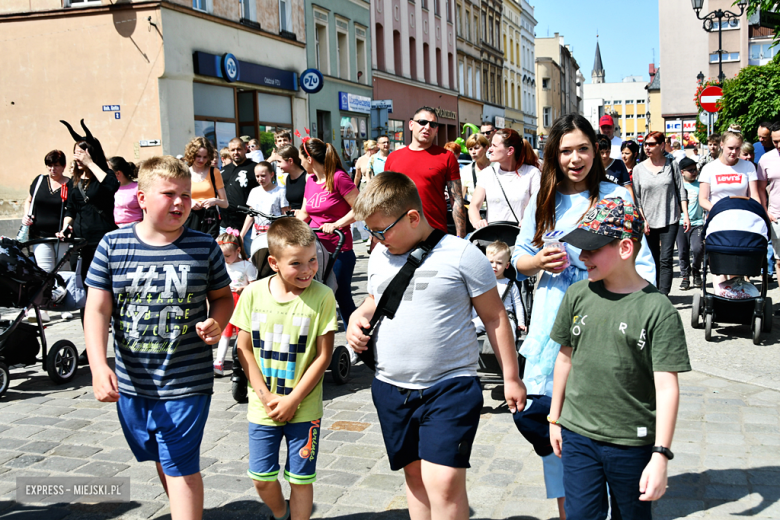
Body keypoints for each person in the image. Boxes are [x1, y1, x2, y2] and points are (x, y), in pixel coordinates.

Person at [347, 171, 526, 520]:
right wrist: (357, 316)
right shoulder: (382, 255)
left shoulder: (461, 255)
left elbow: (495, 317)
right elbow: (375, 299)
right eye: (371, 232)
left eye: (381, 231)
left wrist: (511, 376)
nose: (376, 239)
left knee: (442, 481)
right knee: (415, 476)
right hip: (390, 386)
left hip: (450, 387)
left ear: (413, 217)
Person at [513, 114, 657, 519]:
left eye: (582, 149)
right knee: (551, 419)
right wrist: (538, 259)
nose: (575, 159)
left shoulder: (617, 197)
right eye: (565, 151)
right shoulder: (544, 198)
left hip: (605, 317)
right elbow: (519, 257)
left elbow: (641, 263)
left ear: (596, 150)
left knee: (600, 412)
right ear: (553, 156)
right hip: (552, 318)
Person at [84, 155, 233, 520]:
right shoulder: (113, 246)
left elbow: (223, 298)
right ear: (142, 198)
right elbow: (97, 309)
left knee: (180, 464)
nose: (180, 202)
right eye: (169, 194)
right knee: (161, 457)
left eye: (185, 194)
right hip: (133, 383)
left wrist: (216, 321)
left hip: (187, 382)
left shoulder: (204, 247)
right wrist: (98, 366)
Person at [547, 197, 690, 520]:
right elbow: (565, 359)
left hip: (631, 442)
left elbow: (667, 388)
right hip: (577, 434)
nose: (582, 256)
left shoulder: (657, 310)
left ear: (626, 248)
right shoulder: (578, 294)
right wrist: (555, 418)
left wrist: (660, 455)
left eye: (593, 248)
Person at [231, 217, 337, 520]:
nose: (307, 270)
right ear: (275, 262)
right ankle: (281, 514)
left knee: (301, 480)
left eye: (312, 260)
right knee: (261, 477)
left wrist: (293, 400)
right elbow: (243, 348)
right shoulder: (253, 293)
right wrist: (265, 396)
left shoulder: (323, 296)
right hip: (262, 406)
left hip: (305, 408)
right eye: (296, 264)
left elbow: (323, 357)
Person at [296, 138, 359, 329]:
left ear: (309, 159)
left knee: (342, 296)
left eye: (300, 158)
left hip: (339, 249)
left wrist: (336, 224)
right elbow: (305, 213)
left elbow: (360, 209)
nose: (300, 163)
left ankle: (357, 341)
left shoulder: (338, 177)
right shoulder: (311, 181)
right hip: (315, 249)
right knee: (315, 293)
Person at [385, 106, 467, 237]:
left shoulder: (446, 157)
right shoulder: (393, 158)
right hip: (399, 233)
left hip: (434, 232)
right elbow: (385, 198)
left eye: (433, 124)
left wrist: (461, 236)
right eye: (422, 122)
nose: (427, 127)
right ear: (411, 125)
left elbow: (456, 199)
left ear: (436, 130)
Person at [631, 130, 690, 296]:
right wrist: (643, 220)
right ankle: (653, 293)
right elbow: (638, 199)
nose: (647, 148)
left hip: (669, 218)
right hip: (648, 220)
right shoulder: (638, 169)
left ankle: (663, 296)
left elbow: (681, 191)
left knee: (666, 259)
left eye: (651, 144)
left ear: (662, 145)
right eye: (645, 144)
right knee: (653, 259)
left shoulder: (672, 165)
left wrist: (685, 215)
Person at [58, 143, 119, 282]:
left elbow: (112, 185)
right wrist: (66, 227)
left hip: (101, 239)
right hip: (79, 242)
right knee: (80, 280)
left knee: (102, 280)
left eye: (81, 153)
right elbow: (71, 209)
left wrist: (90, 163)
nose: (77, 157)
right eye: (75, 153)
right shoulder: (74, 180)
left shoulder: (105, 176)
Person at [469, 129, 541, 229]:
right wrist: (478, 222)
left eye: (494, 146)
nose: (489, 149)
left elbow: (540, 206)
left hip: (522, 236)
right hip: (493, 238)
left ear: (510, 150)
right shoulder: (487, 173)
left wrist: (530, 219)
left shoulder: (531, 173)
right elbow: (474, 206)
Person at [213, 229, 257, 376]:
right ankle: (218, 362)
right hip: (226, 299)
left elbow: (254, 285)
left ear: (238, 250)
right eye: (221, 255)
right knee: (225, 333)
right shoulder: (221, 265)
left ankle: (242, 361)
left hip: (241, 300)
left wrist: (244, 288)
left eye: (227, 255)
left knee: (241, 334)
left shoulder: (246, 265)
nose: (224, 259)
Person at [22, 150, 73, 272]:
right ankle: (47, 292)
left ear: (63, 166)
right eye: (49, 165)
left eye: (56, 165)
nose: (52, 169)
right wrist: (26, 215)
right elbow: (29, 200)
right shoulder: (39, 181)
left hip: (61, 236)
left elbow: (72, 210)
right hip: (40, 235)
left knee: (63, 271)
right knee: (45, 270)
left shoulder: (71, 185)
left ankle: (64, 292)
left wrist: (66, 228)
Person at [472, 240, 526, 338]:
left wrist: (521, 322)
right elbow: (476, 302)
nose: (494, 266)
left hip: (506, 317)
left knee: (510, 335)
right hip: (485, 317)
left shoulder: (510, 284)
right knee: (469, 329)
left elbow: (518, 304)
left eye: (499, 263)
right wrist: (472, 318)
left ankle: (509, 352)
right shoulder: (482, 283)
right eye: (491, 262)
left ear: (507, 265)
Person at [699, 131, 761, 212]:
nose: (734, 152)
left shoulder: (748, 166)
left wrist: (757, 211)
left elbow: (754, 196)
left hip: (743, 215)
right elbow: (703, 199)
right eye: (731, 148)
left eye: (737, 148)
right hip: (718, 217)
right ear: (722, 145)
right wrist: (717, 210)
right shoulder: (708, 168)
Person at [183, 137, 229, 239]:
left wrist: (215, 201)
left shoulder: (214, 172)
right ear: (192, 155)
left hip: (210, 217)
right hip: (190, 216)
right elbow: (177, 198)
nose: (201, 160)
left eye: (205, 157)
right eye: (198, 156)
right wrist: (190, 201)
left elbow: (225, 203)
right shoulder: (184, 173)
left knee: (208, 249)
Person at [241, 161, 290, 251]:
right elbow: (251, 214)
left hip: (274, 234)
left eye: (263, 176)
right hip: (257, 234)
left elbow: (284, 215)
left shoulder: (280, 191)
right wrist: (242, 234)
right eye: (257, 176)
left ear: (271, 174)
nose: (260, 179)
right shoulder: (254, 191)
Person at [222, 137, 260, 247]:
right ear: (229, 151)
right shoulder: (223, 171)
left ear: (245, 149)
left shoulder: (254, 168)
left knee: (250, 260)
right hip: (225, 226)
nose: (236, 152)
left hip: (247, 226)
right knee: (227, 261)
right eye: (233, 150)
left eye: (238, 149)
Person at [676, 158, 705, 290]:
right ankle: (685, 276)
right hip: (680, 223)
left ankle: (696, 270)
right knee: (682, 251)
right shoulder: (678, 186)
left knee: (697, 248)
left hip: (697, 222)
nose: (694, 172)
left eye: (695, 169)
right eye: (690, 170)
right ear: (682, 172)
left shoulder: (700, 185)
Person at [758, 122, 780, 276]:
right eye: (775, 141)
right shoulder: (766, 159)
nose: (778, 145)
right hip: (777, 216)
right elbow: (759, 189)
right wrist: (765, 212)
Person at [110, 156, 142, 228]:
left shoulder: (137, 188)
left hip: (134, 227)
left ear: (118, 173)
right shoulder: (108, 188)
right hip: (113, 228)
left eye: (109, 172)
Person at [274, 145, 307, 211]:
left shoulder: (307, 177)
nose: (277, 165)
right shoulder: (286, 179)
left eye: (279, 161)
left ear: (290, 161)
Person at [461, 133, 491, 203]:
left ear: (486, 148)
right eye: (470, 149)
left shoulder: (496, 166)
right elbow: (461, 196)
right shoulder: (466, 170)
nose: (473, 152)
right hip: (473, 211)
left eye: (476, 148)